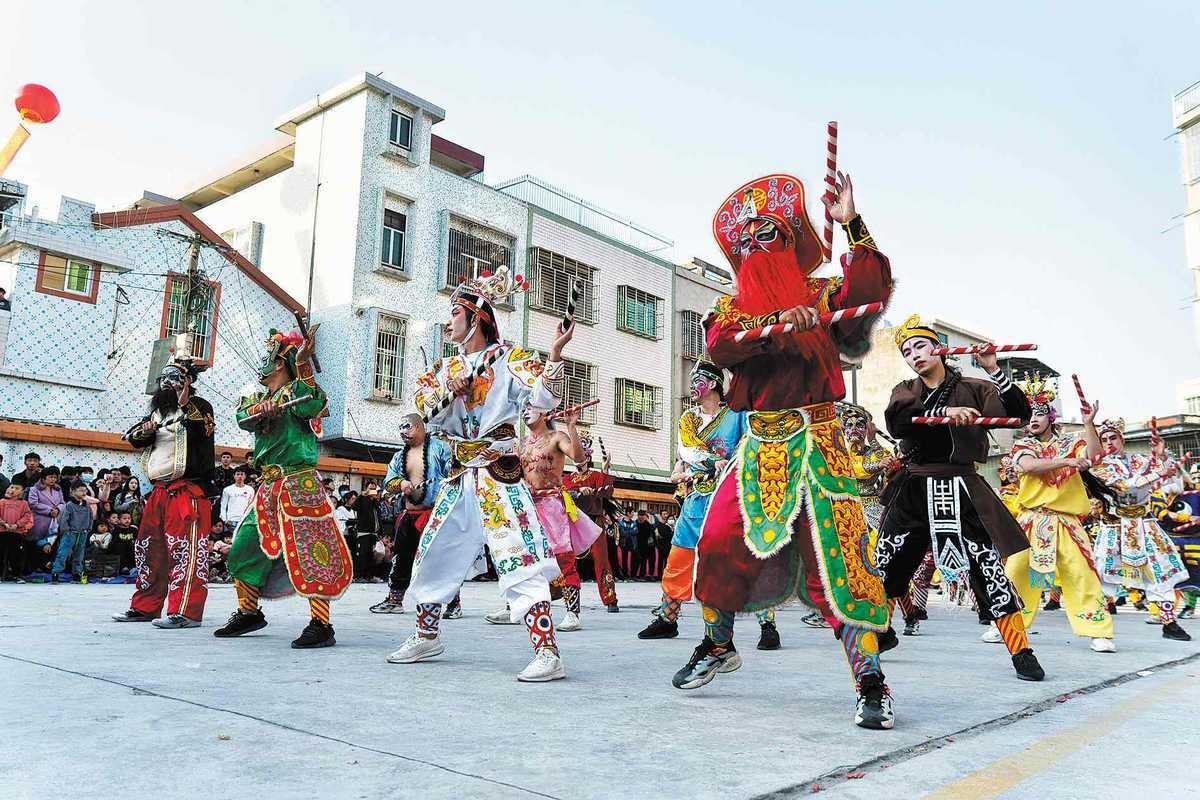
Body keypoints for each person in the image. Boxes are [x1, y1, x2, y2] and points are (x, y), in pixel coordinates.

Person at [676, 171, 895, 729]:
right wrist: (774, 326)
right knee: (719, 540)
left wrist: (852, 224)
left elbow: (867, 296)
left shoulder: (823, 296)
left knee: (838, 561)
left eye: (767, 236)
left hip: (820, 442)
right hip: (759, 447)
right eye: (744, 242)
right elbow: (723, 348)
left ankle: (870, 678)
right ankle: (718, 644)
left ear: (791, 244)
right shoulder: (731, 311)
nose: (754, 248)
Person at [385, 266, 571, 682]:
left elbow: (545, 395)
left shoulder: (510, 359)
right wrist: (447, 390)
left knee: (518, 553)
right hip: (457, 474)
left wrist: (555, 353)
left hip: (498, 471)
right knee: (435, 551)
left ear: (477, 318)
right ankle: (426, 633)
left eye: (455, 313)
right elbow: (418, 411)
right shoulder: (442, 368)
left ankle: (547, 651)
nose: (448, 321)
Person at [876, 315, 1044, 682]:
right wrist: (944, 413)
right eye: (906, 351)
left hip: (962, 485)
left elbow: (1017, 416)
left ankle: (1021, 650)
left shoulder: (975, 386)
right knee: (888, 563)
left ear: (938, 348)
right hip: (914, 487)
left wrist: (994, 369)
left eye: (920, 346)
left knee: (988, 567)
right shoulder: (905, 390)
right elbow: (898, 422)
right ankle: (880, 632)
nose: (914, 355)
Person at [215, 327, 353, 649]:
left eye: (268, 356)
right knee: (244, 546)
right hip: (268, 484)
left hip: (299, 483)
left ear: (280, 362)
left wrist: (303, 365)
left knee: (312, 552)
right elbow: (242, 416)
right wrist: (263, 409)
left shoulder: (298, 393)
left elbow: (314, 403)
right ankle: (249, 612)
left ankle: (321, 624)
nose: (262, 362)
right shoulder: (257, 397)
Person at [641, 361, 781, 648]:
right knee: (680, 556)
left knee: (745, 559)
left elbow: (751, 446)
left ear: (714, 384)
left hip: (731, 497)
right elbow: (687, 450)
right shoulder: (688, 419)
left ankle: (768, 625)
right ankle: (668, 618)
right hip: (697, 498)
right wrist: (711, 461)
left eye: (698, 381)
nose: (693, 386)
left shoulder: (738, 416)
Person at [1001, 373, 1116, 652]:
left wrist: (1089, 426)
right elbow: (1029, 467)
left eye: (1038, 414)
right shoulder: (1022, 445)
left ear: (1051, 416)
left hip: (1066, 520)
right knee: (1015, 571)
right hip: (1031, 518)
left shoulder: (1071, 442)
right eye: (1028, 415)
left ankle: (1097, 630)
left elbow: (1094, 457)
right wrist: (1068, 460)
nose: (1033, 420)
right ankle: (1006, 625)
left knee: (1081, 573)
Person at [111, 357, 215, 628]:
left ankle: (186, 611)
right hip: (158, 491)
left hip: (187, 491)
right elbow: (133, 437)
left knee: (186, 552)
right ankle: (146, 606)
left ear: (188, 382)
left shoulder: (199, 408)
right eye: (164, 379)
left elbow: (199, 432)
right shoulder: (158, 413)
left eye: (174, 378)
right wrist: (146, 430)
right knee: (149, 549)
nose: (167, 383)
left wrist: (182, 403)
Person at [1090, 418, 1191, 641]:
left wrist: (1162, 456)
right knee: (1104, 577)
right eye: (1104, 439)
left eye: (1113, 437)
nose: (1109, 443)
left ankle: (1169, 622)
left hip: (1145, 525)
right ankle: (1100, 630)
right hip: (1115, 527)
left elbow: (1174, 483)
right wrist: (1159, 471)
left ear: (1122, 438)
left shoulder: (1140, 460)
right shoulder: (1099, 467)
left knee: (1159, 571)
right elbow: (1126, 486)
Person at [504, 402, 599, 632]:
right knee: (523, 556)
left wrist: (572, 427)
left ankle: (572, 612)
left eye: (531, 407)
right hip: (527, 507)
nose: (526, 411)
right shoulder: (523, 444)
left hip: (552, 504)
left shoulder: (557, 437)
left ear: (545, 412)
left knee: (563, 557)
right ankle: (515, 606)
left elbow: (578, 458)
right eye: (524, 407)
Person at [372, 413, 451, 615]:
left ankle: (452, 603)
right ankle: (395, 600)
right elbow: (388, 482)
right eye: (400, 429)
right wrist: (401, 483)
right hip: (409, 515)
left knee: (440, 560)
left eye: (407, 427)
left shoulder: (440, 448)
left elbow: (454, 474)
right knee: (402, 558)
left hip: (435, 515)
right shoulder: (399, 456)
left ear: (420, 426)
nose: (402, 432)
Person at [562, 431, 621, 611]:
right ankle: (559, 595)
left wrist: (605, 470)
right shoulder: (567, 479)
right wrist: (578, 492)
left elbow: (607, 491)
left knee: (601, 560)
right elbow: (561, 495)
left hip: (595, 522)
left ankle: (610, 599)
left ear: (588, 458)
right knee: (565, 559)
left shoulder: (595, 476)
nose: (579, 462)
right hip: (574, 522)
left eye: (583, 458)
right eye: (576, 459)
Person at [52, 483, 94, 581]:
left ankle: (77, 573)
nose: (84, 492)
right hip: (70, 533)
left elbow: (91, 518)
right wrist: (66, 531)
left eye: (85, 490)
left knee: (79, 554)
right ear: (73, 492)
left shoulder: (87, 505)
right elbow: (63, 519)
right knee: (63, 553)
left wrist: (88, 528)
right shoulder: (69, 506)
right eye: (81, 490)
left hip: (83, 533)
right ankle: (56, 572)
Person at [0, 482, 32, 580]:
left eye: (17, 488)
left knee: (16, 554)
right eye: (12, 487)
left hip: (17, 533)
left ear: (22, 492)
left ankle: (17, 574)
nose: (13, 490)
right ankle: (1, 574)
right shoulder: (2, 502)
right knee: (1, 554)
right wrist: (4, 524)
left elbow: (27, 516)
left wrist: (17, 525)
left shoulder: (24, 503)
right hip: (2, 531)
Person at [354, 480, 382, 582]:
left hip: (373, 533)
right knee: (363, 554)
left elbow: (378, 518)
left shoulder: (375, 502)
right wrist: (363, 495)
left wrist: (380, 532)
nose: (372, 491)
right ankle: (359, 576)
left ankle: (369, 576)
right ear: (366, 488)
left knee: (371, 555)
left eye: (374, 489)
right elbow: (354, 507)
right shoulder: (362, 499)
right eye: (371, 488)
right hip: (363, 532)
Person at [111, 511, 137, 575]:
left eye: (129, 518)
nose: (127, 520)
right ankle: (123, 567)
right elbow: (114, 542)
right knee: (120, 546)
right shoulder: (116, 530)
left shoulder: (133, 530)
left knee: (132, 546)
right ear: (119, 520)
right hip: (121, 549)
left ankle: (133, 566)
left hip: (131, 548)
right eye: (124, 519)